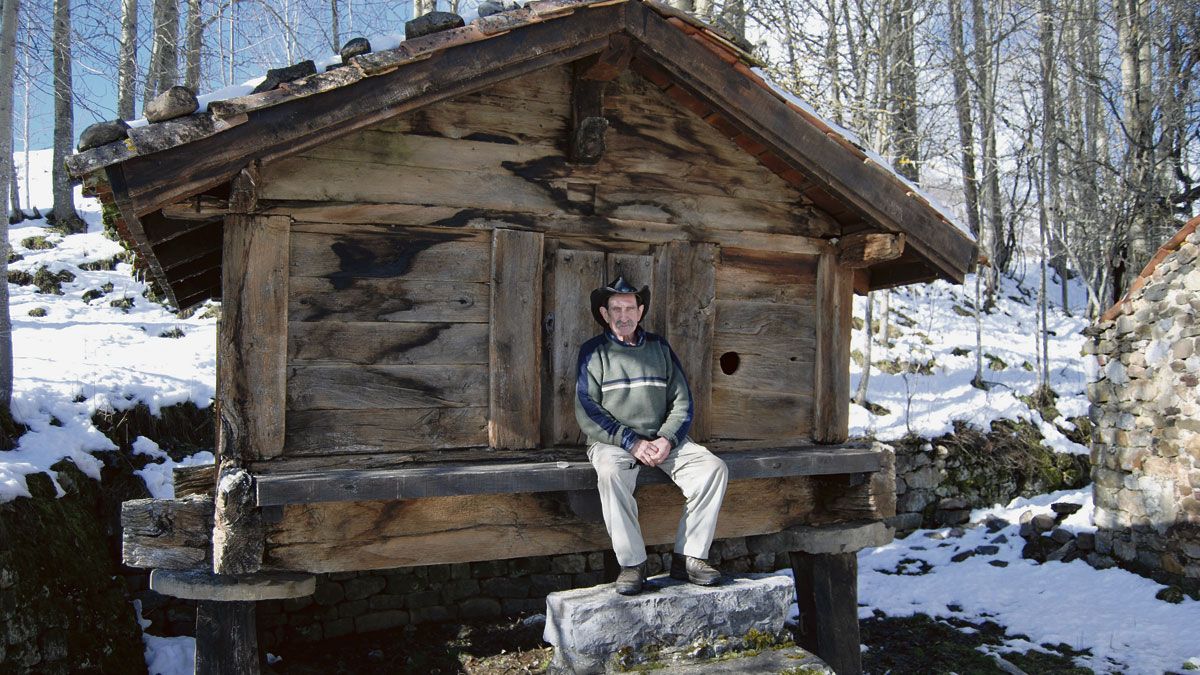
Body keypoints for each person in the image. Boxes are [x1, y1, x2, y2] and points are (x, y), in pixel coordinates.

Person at [574, 277, 729, 595]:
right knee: (611, 473)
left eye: (629, 308)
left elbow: (682, 401)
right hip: (614, 442)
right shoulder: (593, 352)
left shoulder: (659, 348)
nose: (623, 315)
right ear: (604, 313)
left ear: (640, 311)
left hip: (662, 441)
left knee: (713, 469)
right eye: (616, 309)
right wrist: (631, 441)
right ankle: (632, 565)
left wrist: (667, 438)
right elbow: (587, 409)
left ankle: (689, 558)